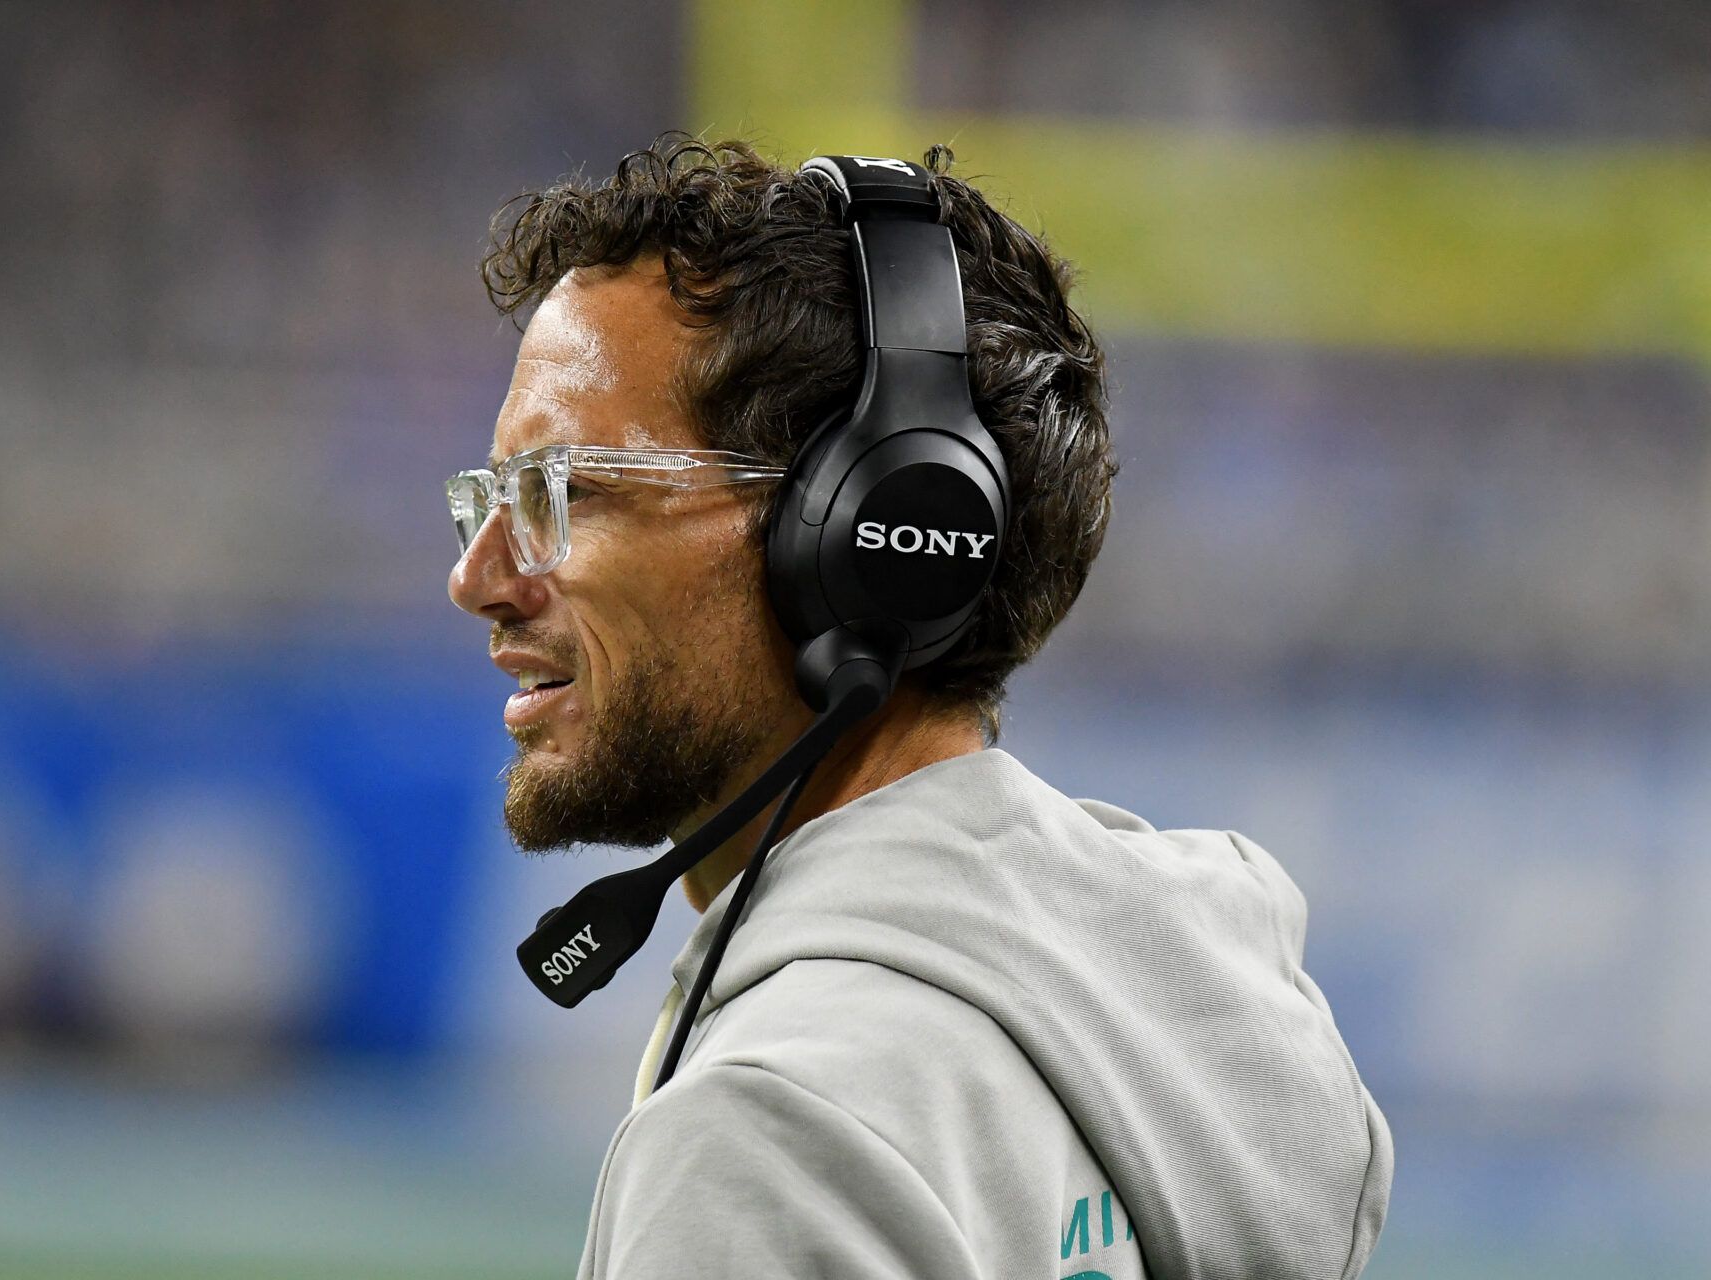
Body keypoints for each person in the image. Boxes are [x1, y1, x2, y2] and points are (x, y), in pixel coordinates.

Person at [446, 136, 1392, 1280]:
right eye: (490, 499)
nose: (478, 577)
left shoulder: (770, 1135)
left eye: (566, 489)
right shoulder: (1211, 1021)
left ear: (860, 543)